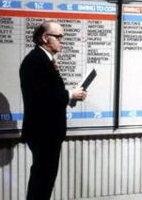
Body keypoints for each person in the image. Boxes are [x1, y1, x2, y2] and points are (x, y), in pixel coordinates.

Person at [19, 20, 87, 200]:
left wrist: (68, 96)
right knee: (42, 180)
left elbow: (49, 94)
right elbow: (43, 97)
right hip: (43, 133)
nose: (62, 40)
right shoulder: (35, 61)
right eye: (58, 37)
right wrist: (70, 94)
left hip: (47, 132)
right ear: (44, 38)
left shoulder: (43, 60)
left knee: (44, 179)